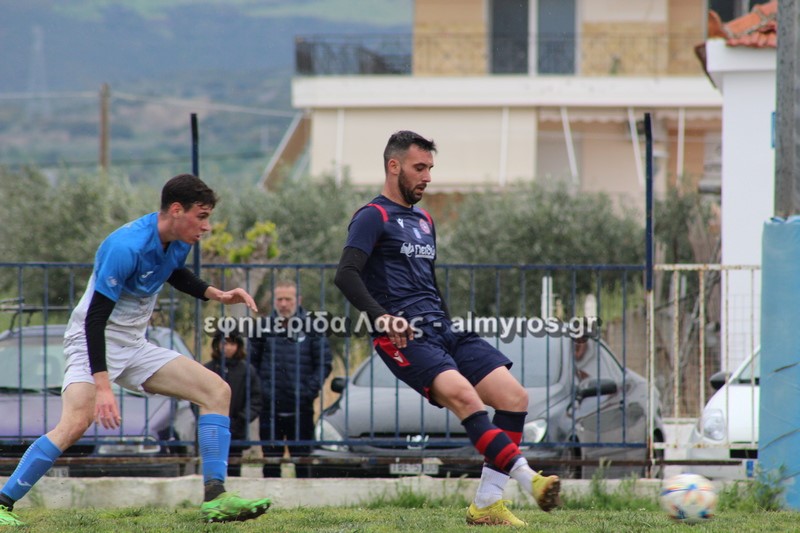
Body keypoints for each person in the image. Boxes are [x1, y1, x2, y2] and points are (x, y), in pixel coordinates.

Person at [0, 174, 271, 527]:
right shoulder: (124, 246)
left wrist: (215, 294)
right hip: (91, 341)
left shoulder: (179, 240)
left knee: (216, 391)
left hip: (134, 345)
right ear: (177, 210)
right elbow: (95, 320)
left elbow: (173, 272)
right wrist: (103, 387)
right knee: (75, 423)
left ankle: (215, 498)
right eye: (201, 216)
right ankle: (3, 502)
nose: (206, 226)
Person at [334, 131, 561, 527]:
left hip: (442, 329)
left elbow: (428, 283)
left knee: (514, 397)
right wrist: (382, 317)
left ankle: (487, 504)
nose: (427, 177)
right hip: (402, 335)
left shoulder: (425, 220)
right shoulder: (373, 216)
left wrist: (446, 322)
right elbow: (346, 274)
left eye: (430, 168)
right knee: (466, 398)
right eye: (419, 168)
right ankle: (529, 479)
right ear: (394, 166)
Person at [249, 280, 333, 478]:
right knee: (271, 462)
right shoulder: (263, 327)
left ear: (298, 300)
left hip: (301, 408)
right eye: (279, 299)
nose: (284, 304)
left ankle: (304, 497)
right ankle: (270, 497)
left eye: (288, 299)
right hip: (270, 408)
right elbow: (251, 364)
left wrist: (307, 392)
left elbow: (324, 364)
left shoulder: (313, 327)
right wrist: (263, 391)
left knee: (303, 462)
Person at [205, 328, 262, 477]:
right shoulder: (208, 370)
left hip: (237, 429)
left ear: (239, 346)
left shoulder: (247, 370)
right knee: (212, 468)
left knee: (234, 468)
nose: (228, 348)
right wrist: (208, 417)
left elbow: (256, 399)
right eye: (224, 343)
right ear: (217, 345)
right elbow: (196, 396)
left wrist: (242, 419)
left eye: (232, 344)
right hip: (212, 428)